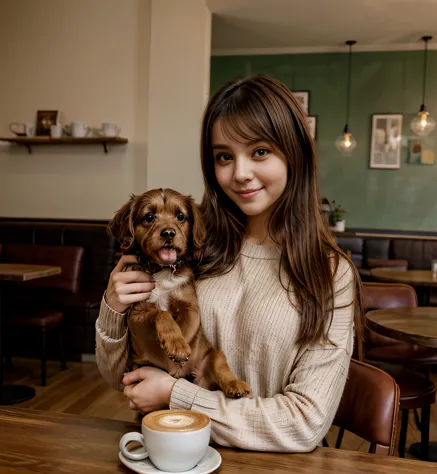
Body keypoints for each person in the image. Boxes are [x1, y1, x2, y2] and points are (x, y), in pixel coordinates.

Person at [95, 74, 363, 453]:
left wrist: (179, 395)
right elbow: (119, 376)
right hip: (173, 452)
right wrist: (112, 309)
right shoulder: (193, 250)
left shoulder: (329, 273)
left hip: (272, 464)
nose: (239, 173)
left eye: (259, 151)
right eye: (224, 156)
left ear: (294, 153)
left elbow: (306, 424)